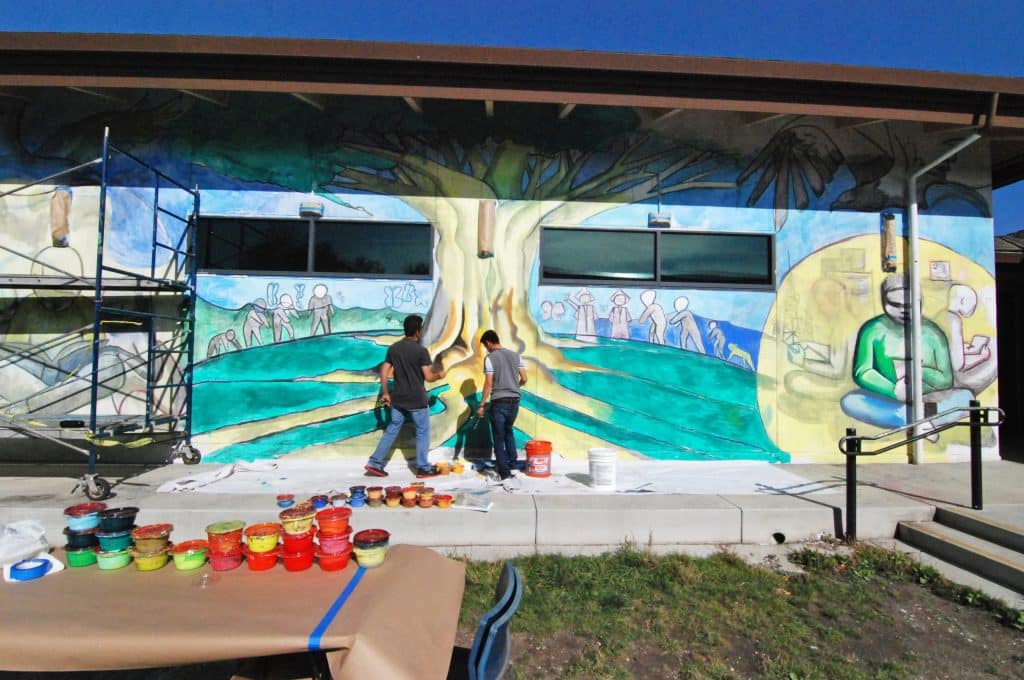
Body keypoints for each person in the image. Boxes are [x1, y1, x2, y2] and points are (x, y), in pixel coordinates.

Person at [365, 314, 447, 478]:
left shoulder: (394, 348)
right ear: (418, 331)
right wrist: (440, 375)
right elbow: (428, 376)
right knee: (422, 432)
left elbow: (384, 370)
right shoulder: (421, 351)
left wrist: (386, 392)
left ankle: (374, 463)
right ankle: (423, 467)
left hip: (398, 400)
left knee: (391, 430)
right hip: (417, 399)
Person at [476, 330, 528, 480]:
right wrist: (515, 387)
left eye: (486, 346)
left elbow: (488, 383)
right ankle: (513, 463)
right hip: (515, 401)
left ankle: (504, 473)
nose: (487, 349)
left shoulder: (490, 358)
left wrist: (481, 405)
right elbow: (524, 378)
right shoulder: (515, 355)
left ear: (488, 343)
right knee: (508, 431)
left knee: (498, 437)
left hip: (499, 402)